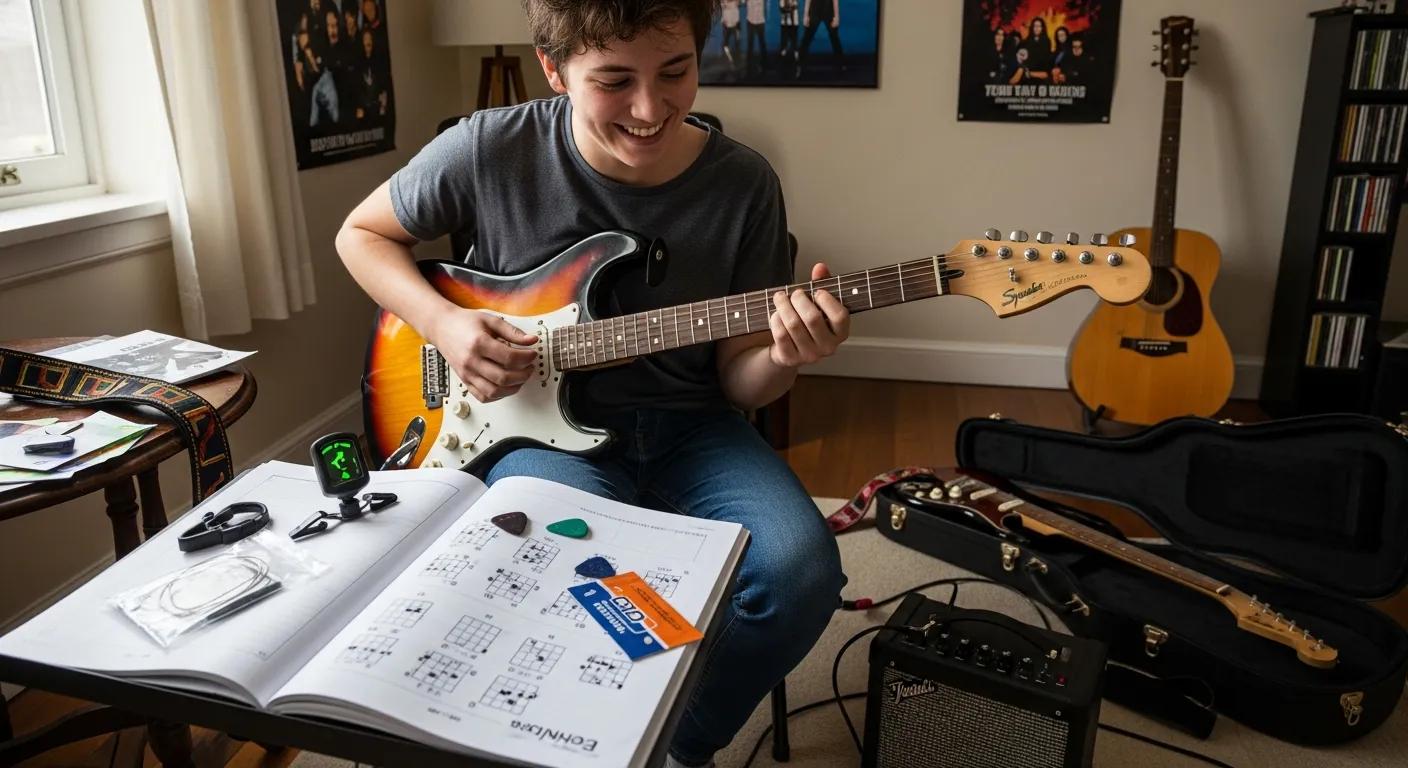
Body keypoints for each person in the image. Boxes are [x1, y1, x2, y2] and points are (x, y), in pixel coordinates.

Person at [334, 2, 847, 767]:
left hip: (693, 428)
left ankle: (676, 746)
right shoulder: (486, 147)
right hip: (528, 432)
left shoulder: (743, 183)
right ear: (555, 68)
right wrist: (444, 325)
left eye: (675, 72)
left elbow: (742, 384)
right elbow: (361, 234)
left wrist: (786, 354)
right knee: (591, 581)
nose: (650, 109)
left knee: (801, 570)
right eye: (614, 81)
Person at [796, 0, 844, 78]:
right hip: (815, 7)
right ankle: (800, 66)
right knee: (806, 38)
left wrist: (836, 16)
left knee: (834, 37)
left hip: (828, 7)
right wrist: (805, 15)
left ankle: (840, 66)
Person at [745, 0, 767, 75]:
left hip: (760, 20)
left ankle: (765, 64)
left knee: (762, 43)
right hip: (750, 20)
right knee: (750, 43)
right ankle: (748, 65)